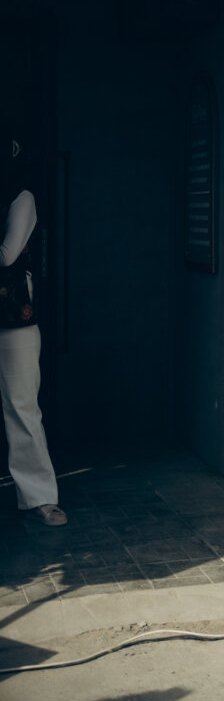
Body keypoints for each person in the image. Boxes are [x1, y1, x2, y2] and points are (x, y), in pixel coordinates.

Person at [0, 134, 66, 526]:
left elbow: (7, 254)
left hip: (14, 321)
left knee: (22, 407)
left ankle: (40, 497)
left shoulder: (21, 197)